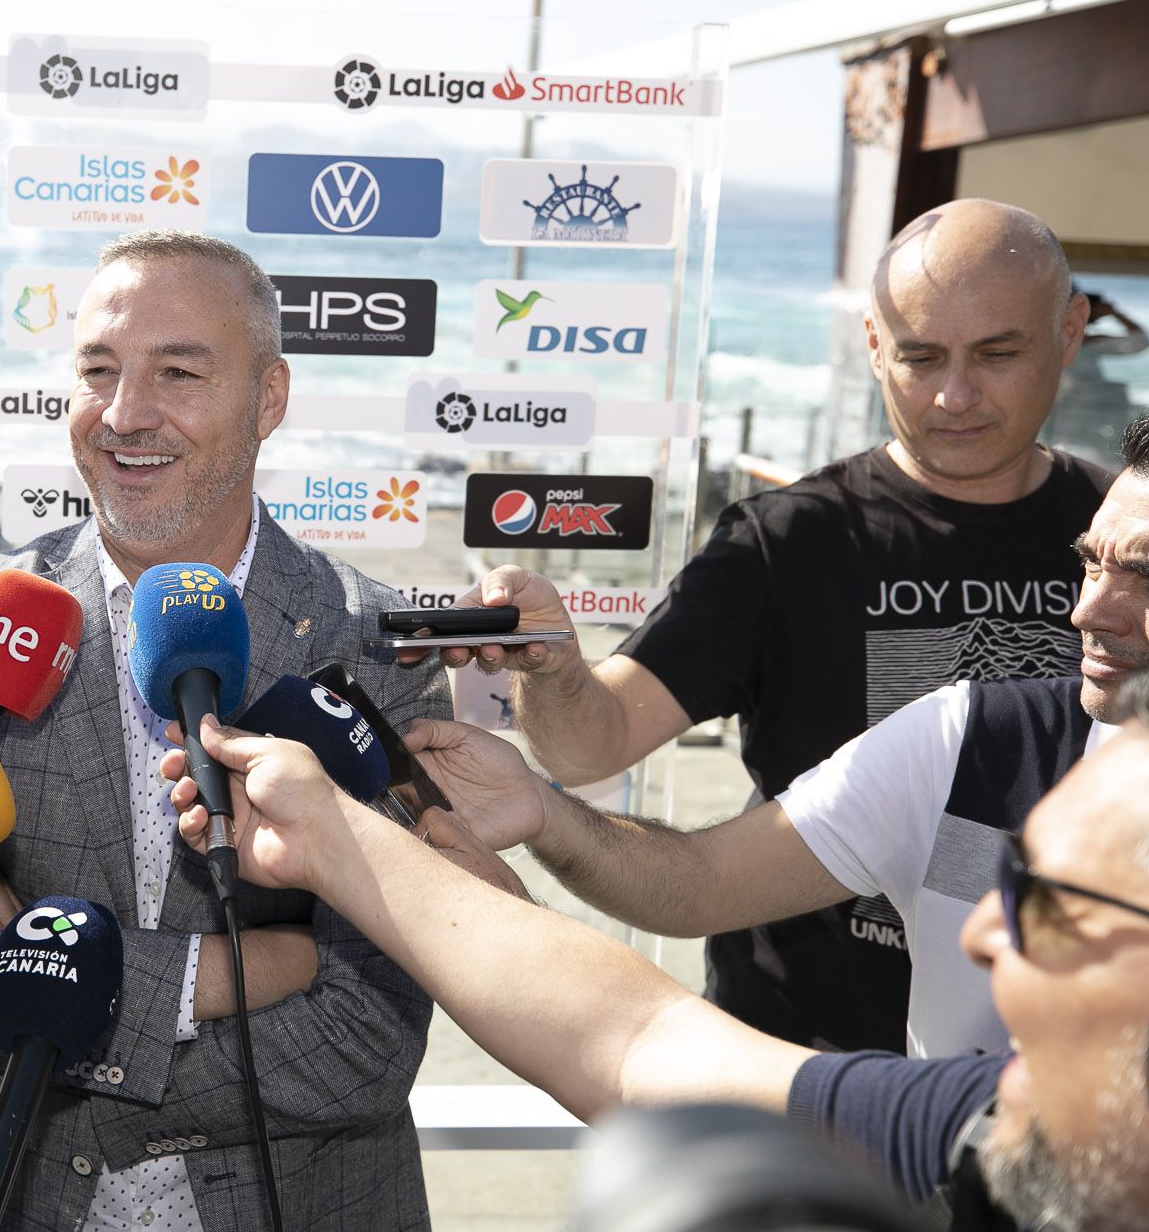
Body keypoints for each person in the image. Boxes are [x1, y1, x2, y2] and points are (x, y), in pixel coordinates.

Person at [0, 231, 451, 1231]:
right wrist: (246, 972)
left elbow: (367, 1033)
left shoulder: (370, 650)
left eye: (176, 372)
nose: (125, 415)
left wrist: (47, 988)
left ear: (267, 397)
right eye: (98, 370)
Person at [435, 199, 1109, 1052]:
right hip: (800, 1065)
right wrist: (553, 670)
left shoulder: (1123, 534)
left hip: (1066, 1061)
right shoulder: (788, 540)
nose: (955, 393)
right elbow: (590, 747)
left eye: (998, 353)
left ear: (1071, 330)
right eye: (919, 355)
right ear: (873, 347)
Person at [167, 688, 1149, 1232]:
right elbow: (636, 1037)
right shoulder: (996, 1123)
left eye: (1049, 900)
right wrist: (332, 837)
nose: (984, 930)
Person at [404, 409, 1149, 1057]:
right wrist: (542, 806)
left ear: (1068, 332)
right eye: (1090, 565)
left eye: (1145, 576)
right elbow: (698, 883)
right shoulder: (968, 739)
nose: (1091, 611)